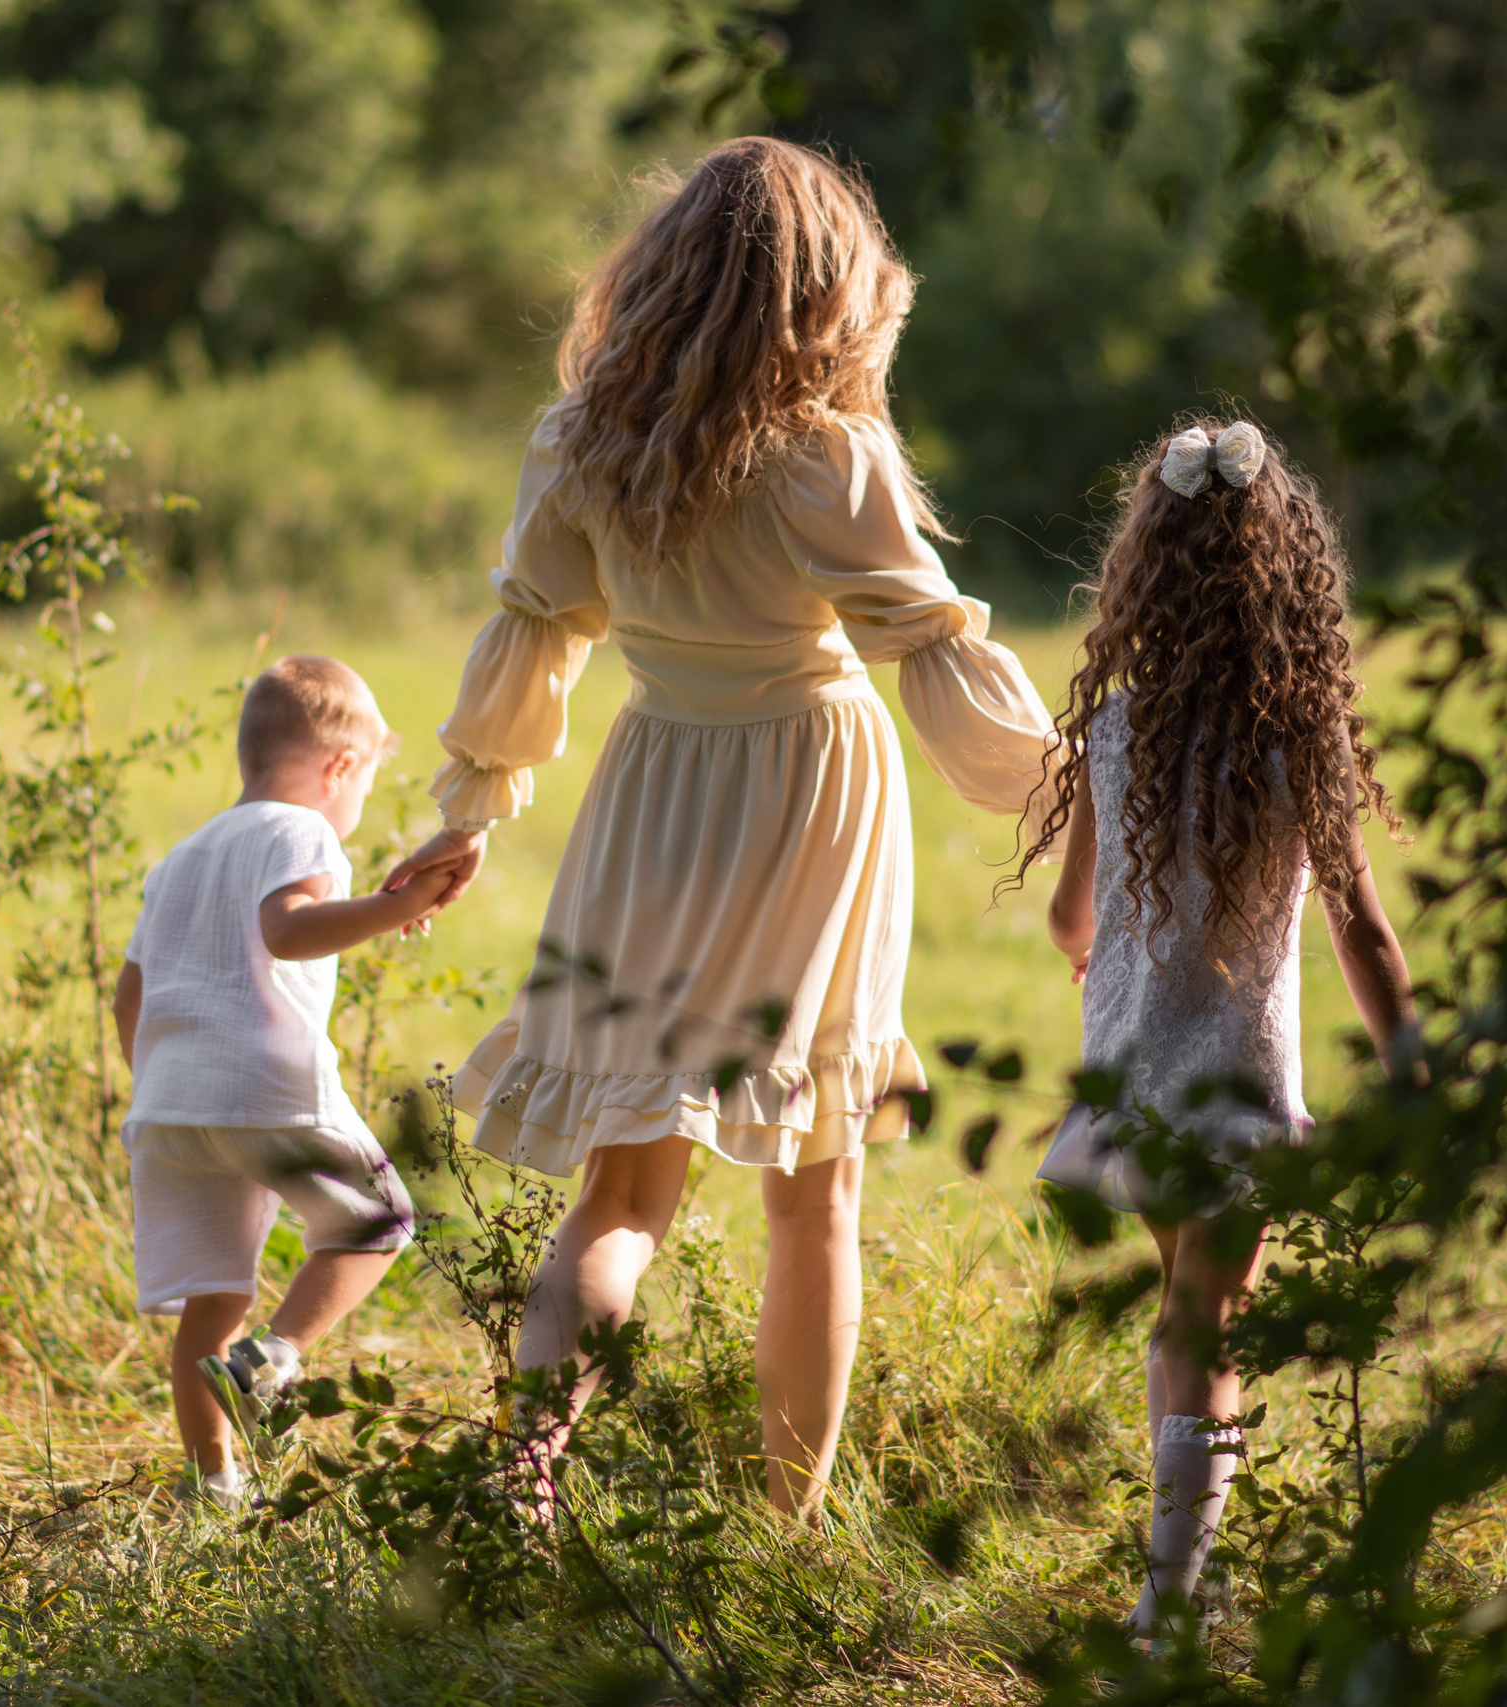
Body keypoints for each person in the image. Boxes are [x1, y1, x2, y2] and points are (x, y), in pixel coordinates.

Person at [379, 137, 1057, 1516]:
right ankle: (781, 1521)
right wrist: (1061, 783)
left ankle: (527, 1474)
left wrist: (474, 804)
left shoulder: (583, 440)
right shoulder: (826, 456)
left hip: (655, 783)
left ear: (660, 273)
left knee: (623, 1191)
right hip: (810, 792)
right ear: (828, 294)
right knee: (816, 1184)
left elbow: (535, 634)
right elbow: (930, 643)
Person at [1020, 418, 1419, 1633]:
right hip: (1239, 1085)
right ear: (1286, 580)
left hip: (1134, 1077)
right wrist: (1410, 1069)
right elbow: (1360, 929)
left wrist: (1106, 956)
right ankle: (1172, 1597)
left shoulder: (1115, 731)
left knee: (1187, 1328)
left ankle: (1178, 1566)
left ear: (1141, 573)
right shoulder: (1297, 738)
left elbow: (1067, 917)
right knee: (1204, 1332)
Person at [113, 655, 444, 1510]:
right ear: (339, 766)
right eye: (364, 782)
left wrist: (165, 1079)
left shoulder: (181, 857)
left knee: (208, 1309)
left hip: (171, 1106)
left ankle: (212, 1487)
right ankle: (279, 1354)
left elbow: (130, 995)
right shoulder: (300, 831)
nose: (358, 803)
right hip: (265, 1087)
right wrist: (393, 906)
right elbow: (290, 930)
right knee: (377, 1218)